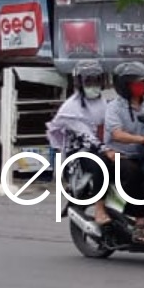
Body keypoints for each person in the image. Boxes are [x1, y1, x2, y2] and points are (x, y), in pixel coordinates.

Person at [46, 60, 115, 227]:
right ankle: (99, 209)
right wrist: (106, 150)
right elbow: (86, 137)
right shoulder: (71, 109)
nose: (94, 85)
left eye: (97, 80)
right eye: (89, 82)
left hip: (101, 148)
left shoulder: (104, 103)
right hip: (79, 154)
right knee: (102, 165)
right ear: (79, 83)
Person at [105, 61, 144, 242]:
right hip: (120, 155)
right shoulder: (113, 107)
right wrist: (142, 139)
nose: (142, 87)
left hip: (143, 154)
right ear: (124, 86)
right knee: (135, 173)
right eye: (137, 83)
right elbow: (117, 134)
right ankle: (140, 222)